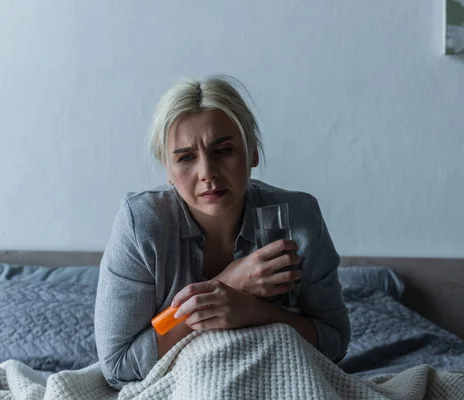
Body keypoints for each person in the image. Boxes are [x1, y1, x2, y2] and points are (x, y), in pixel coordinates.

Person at [94, 75, 350, 390]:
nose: (207, 173)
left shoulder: (298, 217)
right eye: (186, 158)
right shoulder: (142, 224)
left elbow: (335, 341)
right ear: (168, 171)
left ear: (252, 152)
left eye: (224, 150)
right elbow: (117, 366)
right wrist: (227, 284)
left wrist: (254, 311)